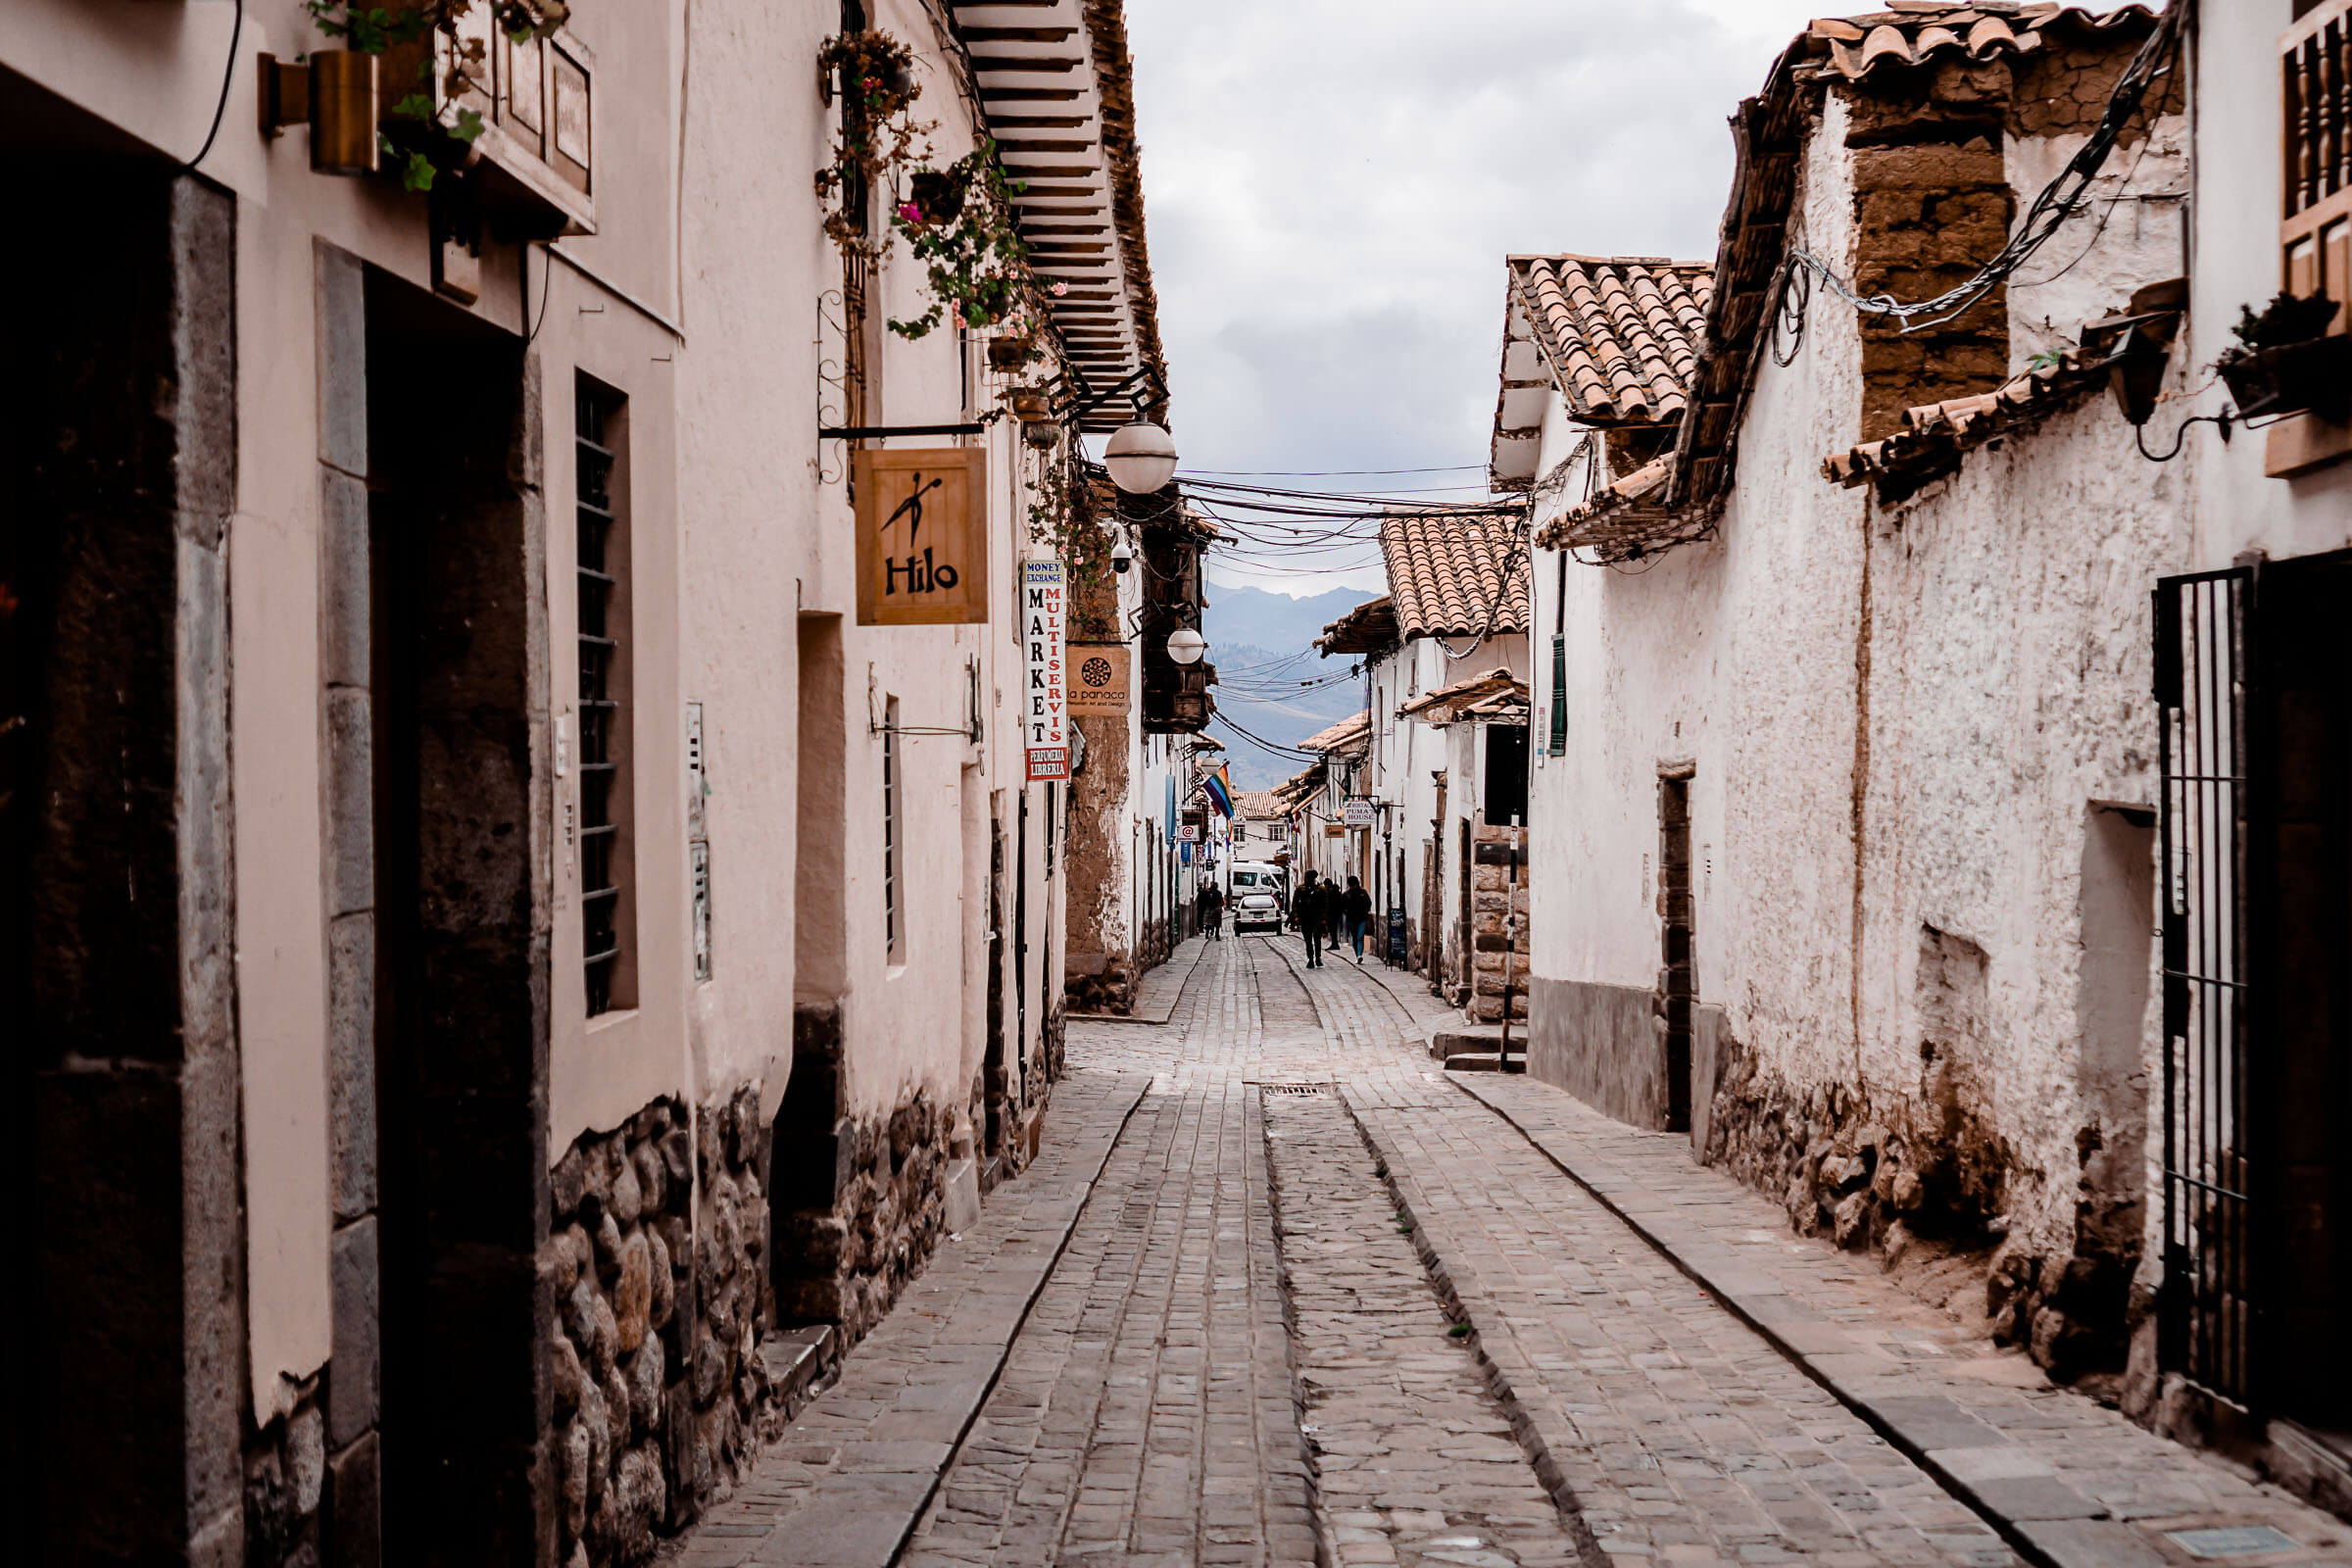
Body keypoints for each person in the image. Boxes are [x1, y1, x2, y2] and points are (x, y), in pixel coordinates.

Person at [1298, 871, 1326, 967]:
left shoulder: (1320, 889)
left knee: (1317, 939)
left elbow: (1325, 904)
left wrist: (1324, 918)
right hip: (1305, 918)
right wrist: (1296, 917)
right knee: (1308, 940)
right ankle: (1311, 959)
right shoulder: (1300, 889)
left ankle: (1317, 958)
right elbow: (1295, 903)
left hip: (1317, 917)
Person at [1343, 876, 1373, 962]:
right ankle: (1357, 955)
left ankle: (1359, 954)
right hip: (1351, 920)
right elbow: (1343, 906)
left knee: (1360, 937)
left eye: (1353, 885)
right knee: (1355, 937)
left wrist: (1366, 911)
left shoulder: (1362, 893)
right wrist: (1347, 913)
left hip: (1362, 919)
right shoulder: (1346, 894)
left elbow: (1368, 903)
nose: (1352, 886)